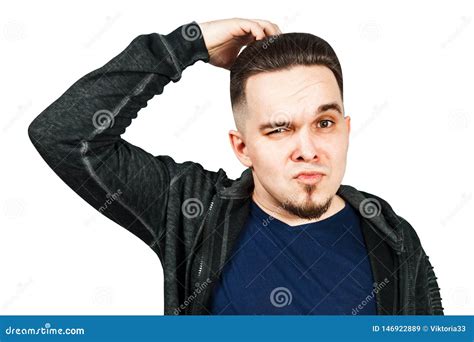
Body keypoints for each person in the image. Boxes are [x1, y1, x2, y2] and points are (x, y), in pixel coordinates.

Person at [28, 18, 443, 315]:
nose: (308, 149)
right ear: (242, 147)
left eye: (324, 123)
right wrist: (187, 45)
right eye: (279, 129)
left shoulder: (391, 235)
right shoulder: (191, 213)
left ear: (346, 130)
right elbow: (63, 134)